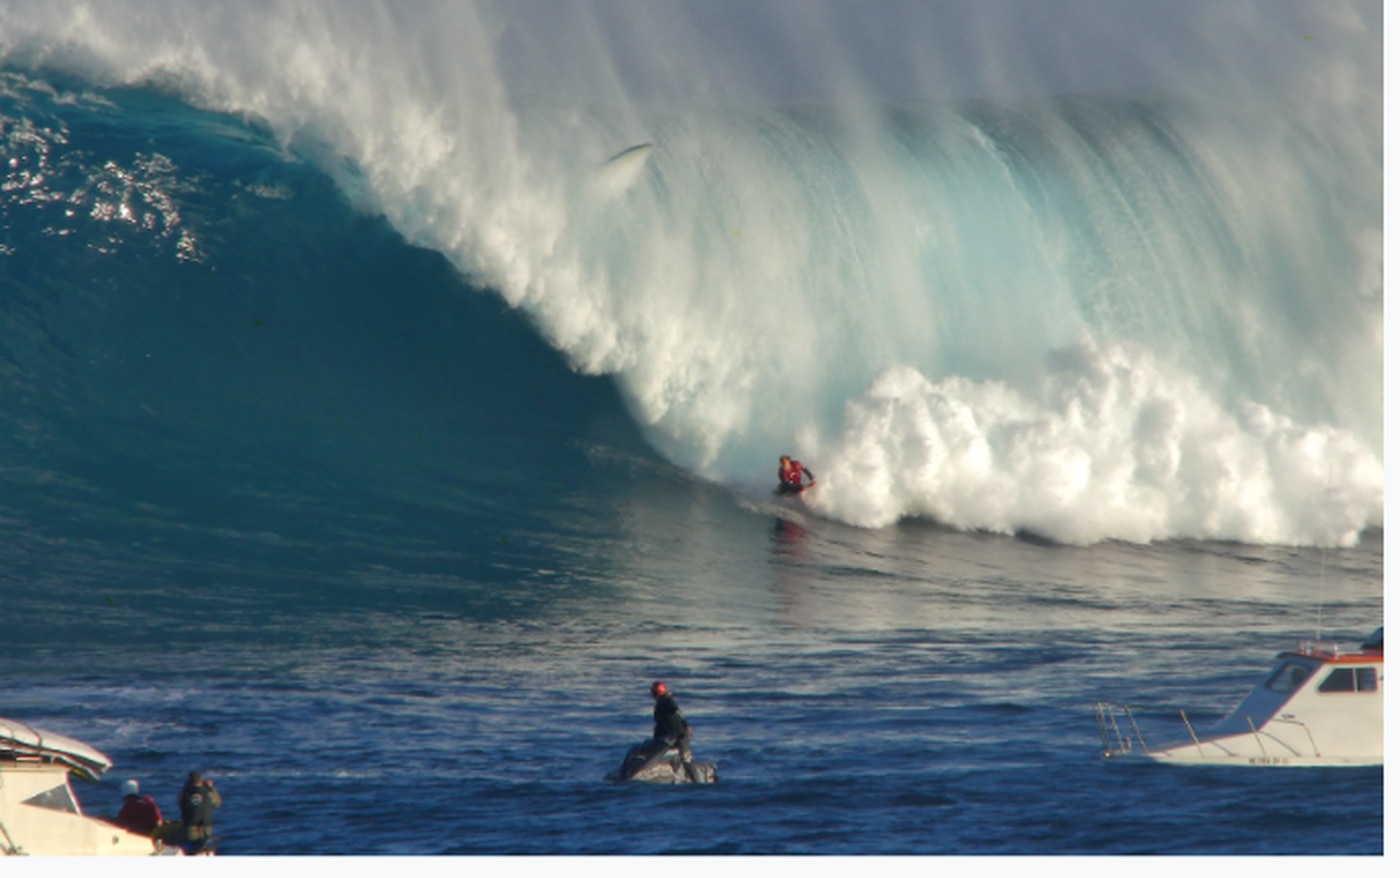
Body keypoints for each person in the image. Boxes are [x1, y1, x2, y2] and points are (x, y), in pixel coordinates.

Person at [651, 680, 699, 781]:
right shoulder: (661, 704)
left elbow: (676, 711)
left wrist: (685, 727)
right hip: (670, 735)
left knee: (686, 759)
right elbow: (660, 725)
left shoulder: (665, 700)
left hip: (678, 734)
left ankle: (696, 781)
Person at [178, 771, 222, 854]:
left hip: (189, 828)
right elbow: (217, 803)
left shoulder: (185, 793)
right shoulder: (207, 793)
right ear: (201, 781)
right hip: (206, 828)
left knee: (191, 850)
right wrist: (210, 788)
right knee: (204, 849)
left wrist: (186, 787)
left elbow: (180, 803)